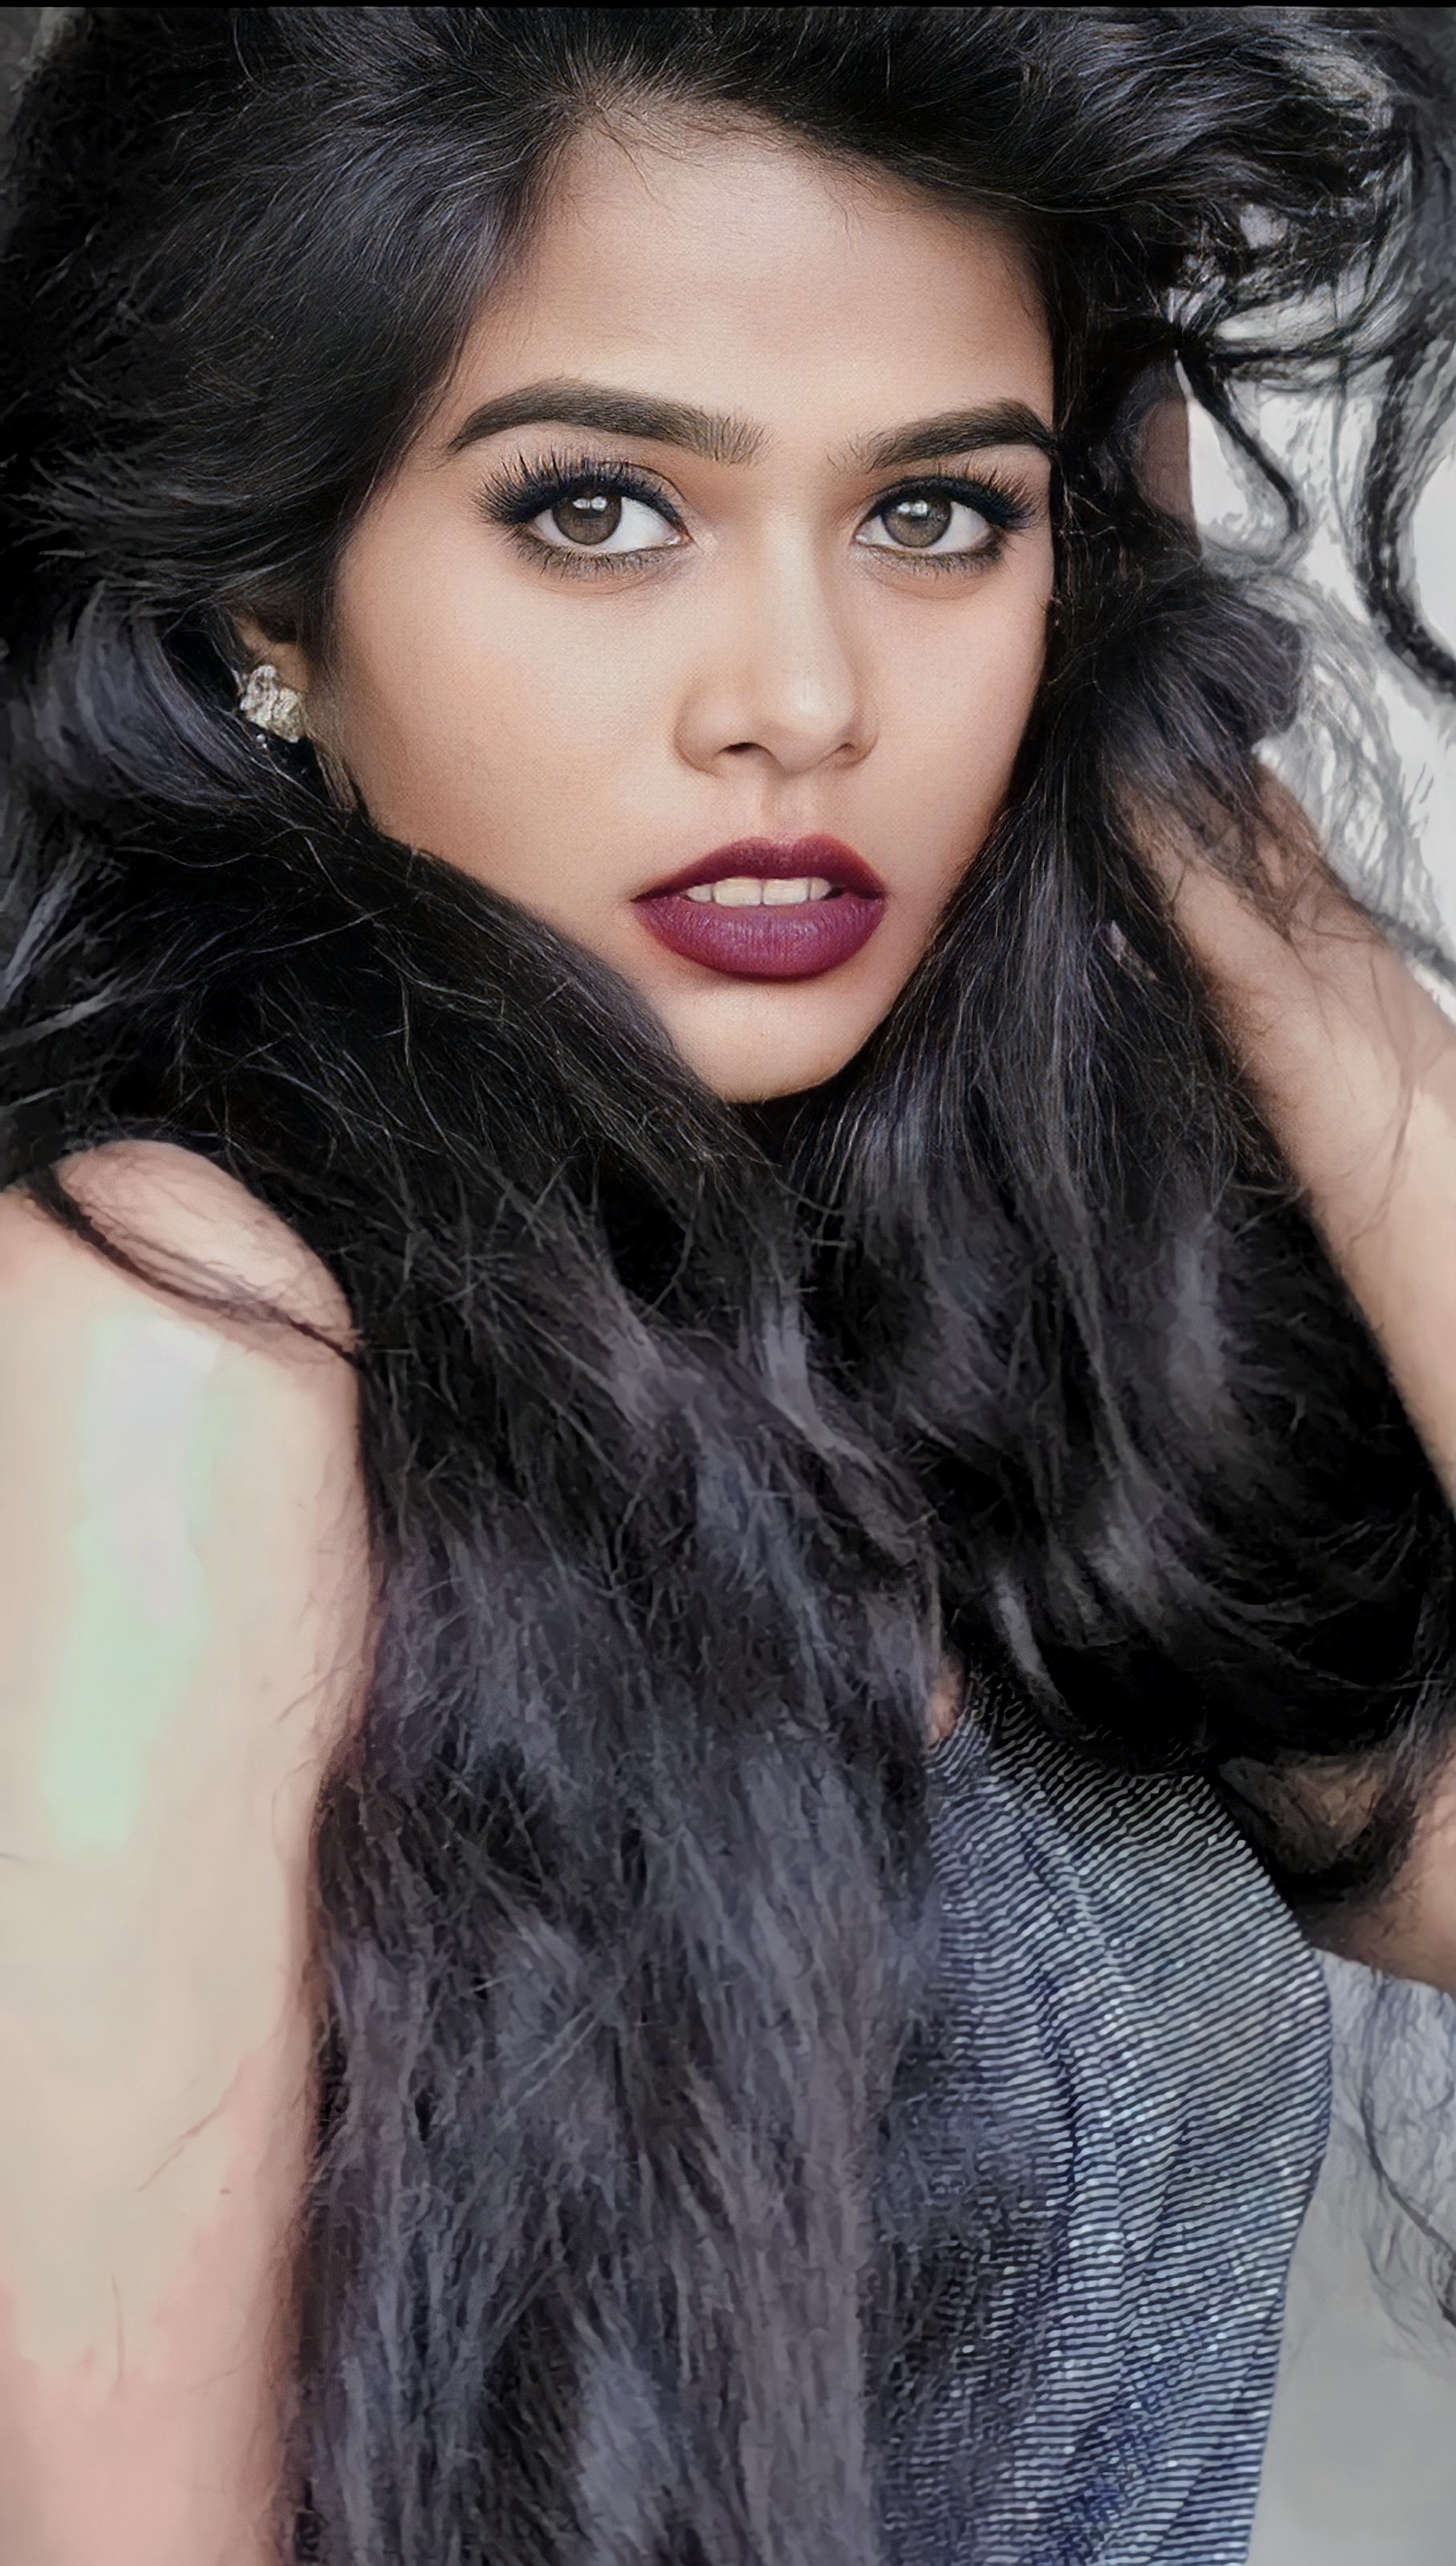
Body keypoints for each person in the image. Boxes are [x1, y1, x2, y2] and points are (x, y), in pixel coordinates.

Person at [1, 7, 1454, 2560]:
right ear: (267, 592)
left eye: (939, 518)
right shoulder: (170, 1342)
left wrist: (1267, 922)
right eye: (598, 509)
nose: (802, 703)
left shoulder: (968, 1318)